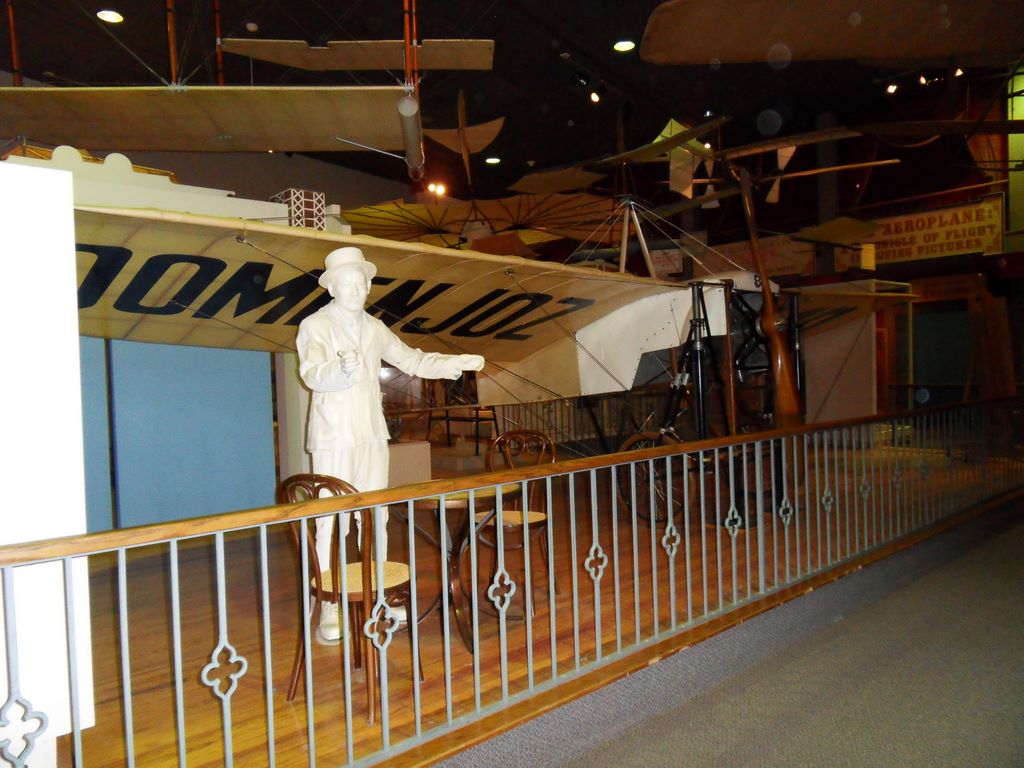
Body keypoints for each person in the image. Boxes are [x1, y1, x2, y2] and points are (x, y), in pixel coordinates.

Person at [296, 246, 485, 641]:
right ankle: (329, 603)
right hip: (333, 434)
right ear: (332, 287)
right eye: (348, 284)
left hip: (371, 432)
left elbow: (412, 360)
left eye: (361, 284)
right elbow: (311, 373)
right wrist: (338, 368)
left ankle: (379, 594)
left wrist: (454, 365)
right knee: (330, 520)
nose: (356, 290)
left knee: (376, 515)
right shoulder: (315, 325)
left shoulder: (374, 327)